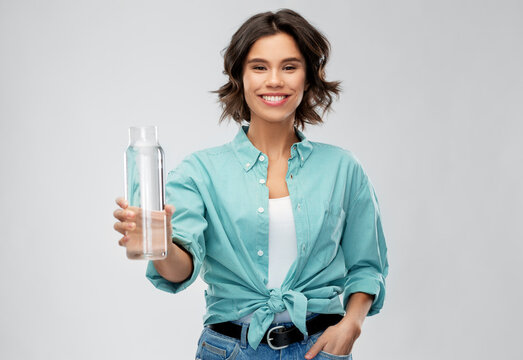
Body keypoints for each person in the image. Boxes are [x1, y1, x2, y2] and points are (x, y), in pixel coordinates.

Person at [113, 8, 388, 360]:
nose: (274, 80)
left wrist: (352, 324)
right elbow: (180, 270)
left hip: (320, 349)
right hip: (230, 350)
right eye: (259, 67)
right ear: (239, 76)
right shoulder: (200, 172)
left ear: (308, 76)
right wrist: (162, 243)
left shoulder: (343, 168)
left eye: (289, 67)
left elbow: (368, 265)